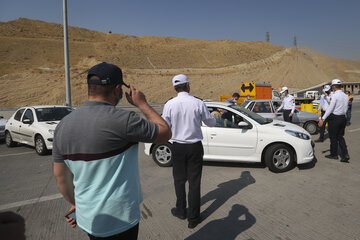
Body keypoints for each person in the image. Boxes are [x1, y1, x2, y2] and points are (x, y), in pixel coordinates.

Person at [52, 62, 171, 240]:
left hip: (88, 219)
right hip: (121, 219)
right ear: (117, 90)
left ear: (90, 89)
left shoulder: (63, 126)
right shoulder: (124, 120)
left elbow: (61, 177)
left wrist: (75, 204)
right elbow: (165, 132)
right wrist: (142, 104)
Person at [162, 74, 216, 229]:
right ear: (187, 86)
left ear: (175, 88)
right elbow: (210, 123)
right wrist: (214, 116)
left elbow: (165, 125)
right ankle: (193, 218)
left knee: (179, 180)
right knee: (194, 182)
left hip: (178, 147)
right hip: (194, 147)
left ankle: (180, 210)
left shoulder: (170, 104)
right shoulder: (198, 103)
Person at [318, 79, 349, 163]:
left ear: (334, 86)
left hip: (335, 118)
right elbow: (346, 108)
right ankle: (345, 154)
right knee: (340, 137)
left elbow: (330, 108)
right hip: (343, 118)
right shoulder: (345, 95)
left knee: (333, 137)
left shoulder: (335, 95)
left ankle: (334, 154)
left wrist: (322, 118)